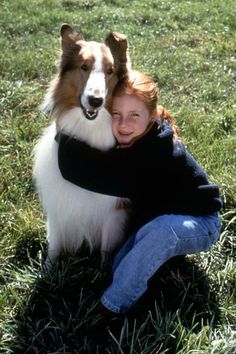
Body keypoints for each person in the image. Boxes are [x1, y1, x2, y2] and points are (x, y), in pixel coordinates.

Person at [55, 70, 222, 315]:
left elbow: (79, 172)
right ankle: (151, 277)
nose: (123, 125)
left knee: (162, 232)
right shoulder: (134, 140)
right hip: (157, 221)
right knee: (120, 265)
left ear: (152, 116)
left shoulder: (154, 153)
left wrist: (62, 132)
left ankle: (113, 307)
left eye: (134, 115)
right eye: (116, 114)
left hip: (200, 221)